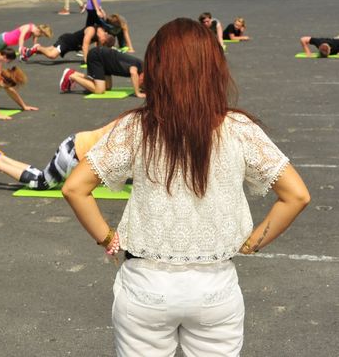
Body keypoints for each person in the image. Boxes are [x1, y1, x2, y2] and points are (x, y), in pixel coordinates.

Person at [62, 18, 310, 356]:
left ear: (156, 69)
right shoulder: (239, 128)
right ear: (214, 69)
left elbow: (75, 188)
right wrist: (253, 243)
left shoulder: (135, 127)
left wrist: (107, 238)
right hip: (215, 286)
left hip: (145, 286)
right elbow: (297, 195)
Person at [0, 120, 117, 190]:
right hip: (74, 155)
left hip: (76, 144)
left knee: (41, 175)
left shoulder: (129, 117)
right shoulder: (131, 126)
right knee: (40, 183)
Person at [58, 46, 145, 98]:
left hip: (106, 63)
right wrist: (137, 93)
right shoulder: (138, 67)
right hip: (97, 57)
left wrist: (143, 89)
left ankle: (74, 73)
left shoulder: (143, 68)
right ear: (143, 75)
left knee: (107, 87)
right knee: (99, 90)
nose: (141, 85)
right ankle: (72, 76)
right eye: (143, 84)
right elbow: (133, 73)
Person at [20, 26, 114, 61]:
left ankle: (28, 51)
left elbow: (100, 49)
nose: (102, 44)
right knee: (52, 55)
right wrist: (86, 60)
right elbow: (85, 46)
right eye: (103, 42)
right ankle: (38, 47)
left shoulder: (102, 35)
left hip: (70, 46)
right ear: (104, 37)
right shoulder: (91, 30)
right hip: (66, 41)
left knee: (48, 50)